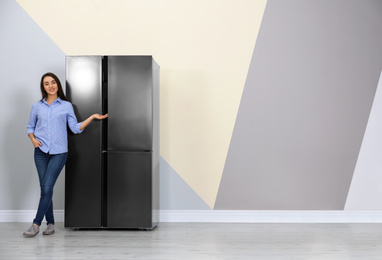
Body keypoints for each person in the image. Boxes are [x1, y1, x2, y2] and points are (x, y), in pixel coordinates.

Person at [23, 72, 108, 237]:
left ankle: (35, 224)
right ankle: (51, 224)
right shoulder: (37, 106)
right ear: (43, 87)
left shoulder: (66, 106)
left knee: (47, 187)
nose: (50, 86)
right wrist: (33, 139)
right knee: (45, 189)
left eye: (53, 82)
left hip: (59, 152)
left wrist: (91, 117)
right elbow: (30, 127)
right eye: (46, 84)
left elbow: (75, 128)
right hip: (40, 152)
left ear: (57, 84)